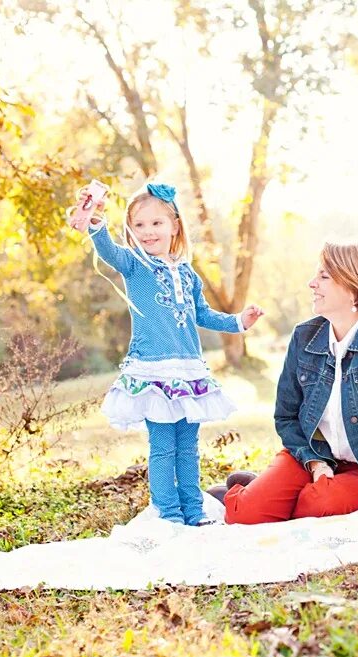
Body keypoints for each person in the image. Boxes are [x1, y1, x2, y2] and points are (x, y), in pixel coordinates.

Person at [71, 182, 264, 526]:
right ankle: (169, 514)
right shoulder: (135, 265)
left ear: (174, 225)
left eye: (156, 223)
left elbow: (202, 314)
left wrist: (239, 321)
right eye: (139, 225)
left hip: (189, 372)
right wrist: (95, 222)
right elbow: (108, 252)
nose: (148, 232)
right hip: (153, 372)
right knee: (163, 447)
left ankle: (193, 510)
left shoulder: (188, 273)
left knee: (187, 447)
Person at [222, 243, 358, 524]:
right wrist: (315, 464)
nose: (311, 283)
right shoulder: (305, 336)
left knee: (320, 504)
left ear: (354, 287)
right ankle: (251, 497)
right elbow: (286, 416)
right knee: (247, 515)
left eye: (324, 277)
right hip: (312, 458)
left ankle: (264, 493)